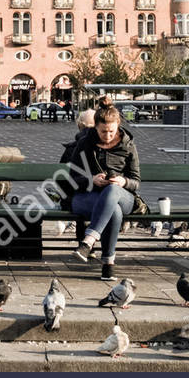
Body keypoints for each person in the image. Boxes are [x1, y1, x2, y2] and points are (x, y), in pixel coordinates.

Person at [68, 103, 141, 280]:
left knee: (113, 190)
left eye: (112, 131)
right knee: (113, 210)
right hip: (88, 196)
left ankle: (89, 240)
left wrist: (123, 181)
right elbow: (72, 178)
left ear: (118, 126)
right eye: (103, 132)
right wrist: (91, 180)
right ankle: (108, 265)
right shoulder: (85, 143)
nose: (108, 136)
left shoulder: (128, 145)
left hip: (123, 196)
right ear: (96, 127)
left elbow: (136, 182)